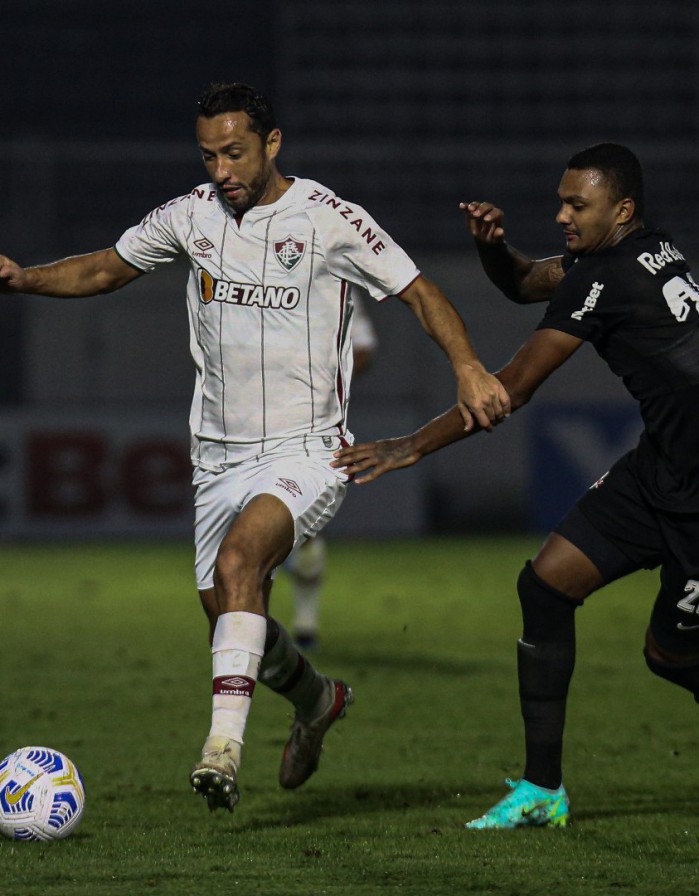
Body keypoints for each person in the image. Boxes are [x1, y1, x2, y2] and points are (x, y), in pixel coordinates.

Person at [0, 82, 510, 814]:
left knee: (243, 563)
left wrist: (465, 365)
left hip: (305, 451)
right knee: (234, 620)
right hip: (216, 459)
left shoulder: (330, 219)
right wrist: (23, 281)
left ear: (272, 144)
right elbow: (106, 267)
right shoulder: (190, 216)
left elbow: (420, 292)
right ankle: (319, 701)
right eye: (209, 155)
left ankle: (221, 751)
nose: (222, 170)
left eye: (235, 152)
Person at [333, 142, 699, 829]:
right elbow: (528, 282)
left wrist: (413, 444)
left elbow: (512, 389)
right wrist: (493, 250)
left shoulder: (608, 276)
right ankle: (542, 790)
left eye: (575, 205)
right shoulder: (645, 250)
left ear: (620, 209)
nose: (560, 213)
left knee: (668, 656)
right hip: (659, 471)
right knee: (546, 584)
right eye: (560, 201)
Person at [285, 292, 378, 650]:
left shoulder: (334, 280)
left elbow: (365, 348)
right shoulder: (241, 267)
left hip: (311, 423)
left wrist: (322, 375)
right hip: (243, 421)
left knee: (305, 519)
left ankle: (300, 620)